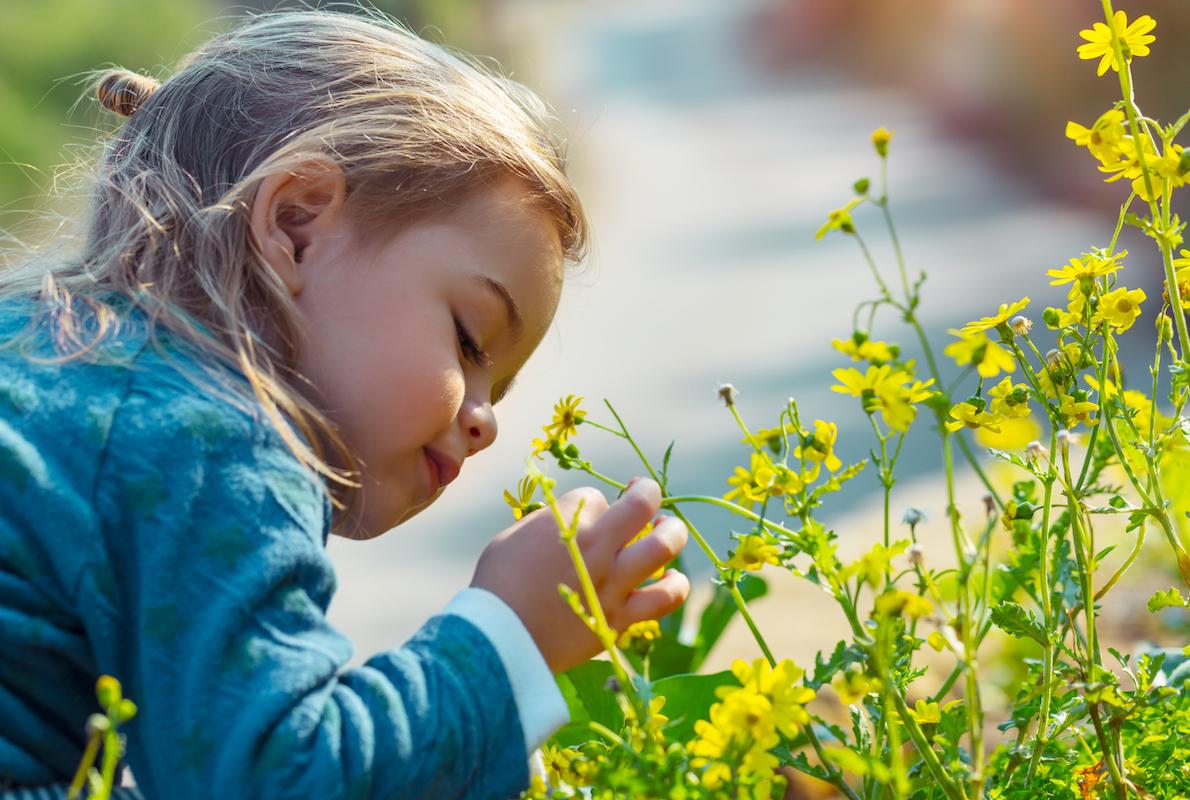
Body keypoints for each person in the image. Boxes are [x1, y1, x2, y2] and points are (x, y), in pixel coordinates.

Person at [0, 8, 690, 798]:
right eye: (469, 340)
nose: (485, 418)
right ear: (295, 226)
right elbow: (279, 779)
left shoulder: (46, 361)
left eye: (497, 388)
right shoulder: (208, 434)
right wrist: (507, 640)